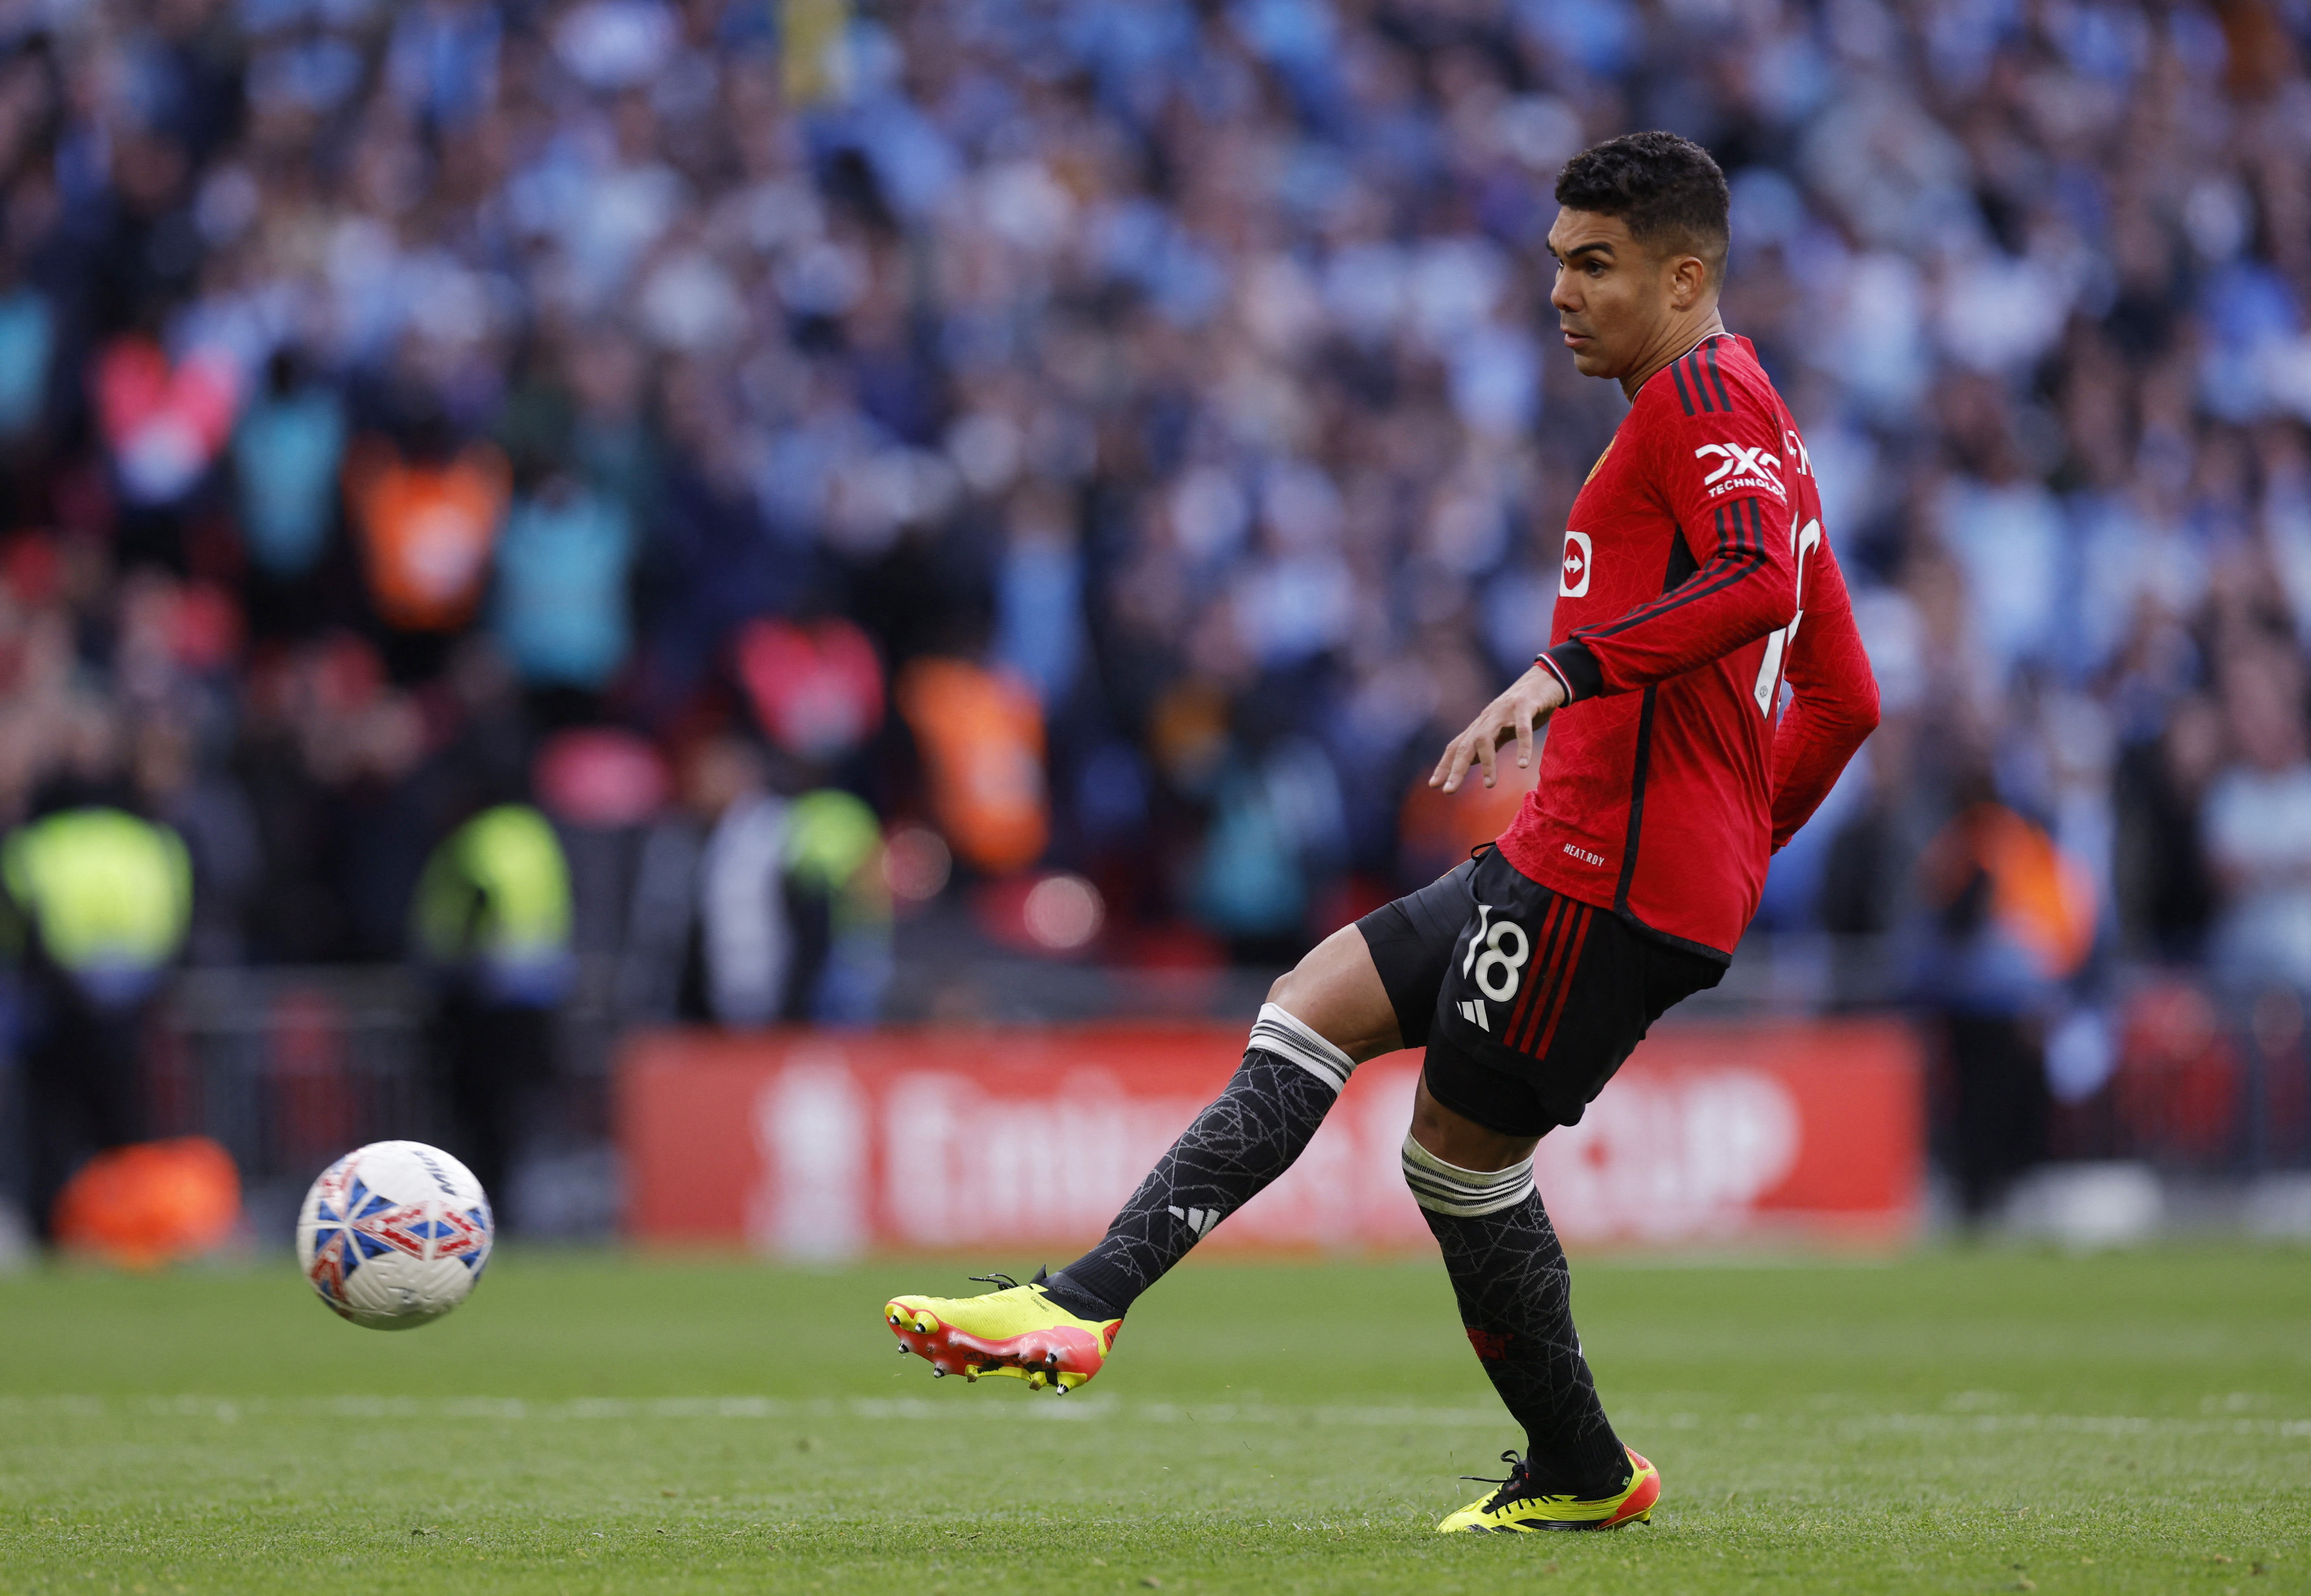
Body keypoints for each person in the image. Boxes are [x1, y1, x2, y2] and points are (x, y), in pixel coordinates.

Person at [881, 133, 1880, 1533]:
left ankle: (1587, 1471)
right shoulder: (1747, 414)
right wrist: (1735, 841)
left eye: (1594, 266)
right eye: (1555, 262)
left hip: (1608, 866)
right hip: (1595, 852)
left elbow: (1755, 581)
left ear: (1684, 273)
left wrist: (1569, 678)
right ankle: (1080, 1300)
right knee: (1312, 1001)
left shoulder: (1705, 401)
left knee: (1456, 1160)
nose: (1560, 292)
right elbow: (1844, 693)